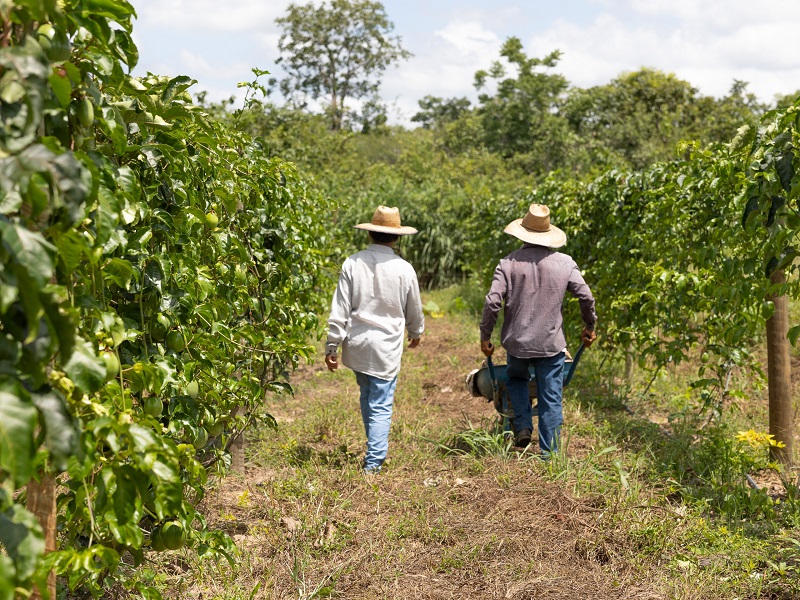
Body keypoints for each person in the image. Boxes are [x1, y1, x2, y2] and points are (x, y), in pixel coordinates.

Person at [480, 203, 597, 455]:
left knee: (516, 379)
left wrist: (485, 336)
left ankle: (522, 426)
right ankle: (549, 455)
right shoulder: (565, 263)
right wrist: (589, 325)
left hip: (518, 343)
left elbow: (492, 301)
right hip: (550, 344)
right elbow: (586, 297)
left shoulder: (508, 263)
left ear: (522, 232)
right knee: (551, 396)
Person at [325, 205, 425, 473]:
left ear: (370, 234)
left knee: (367, 394)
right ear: (397, 237)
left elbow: (340, 307)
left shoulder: (352, 262)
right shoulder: (404, 269)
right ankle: (373, 463)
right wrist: (416, 333)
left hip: (357, 344)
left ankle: (374, 449)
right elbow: (413, 307)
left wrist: (332, 344)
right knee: (380, 402)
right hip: (386, 347)